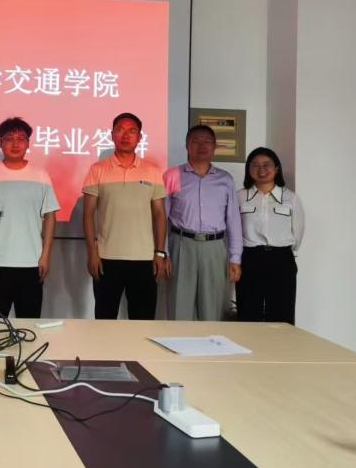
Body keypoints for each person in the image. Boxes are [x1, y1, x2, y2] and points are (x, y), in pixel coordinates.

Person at [82, 112, 169, 320]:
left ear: (139, 137)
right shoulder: (97, 169)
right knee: (105, 320)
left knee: (143, 320)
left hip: (144, 259)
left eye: (132, 131)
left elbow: (159, 215)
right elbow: (88, 214)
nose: (125, 135)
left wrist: (159, 254)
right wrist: (92, 252)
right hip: (106, 258)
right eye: (120, 130)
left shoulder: (152, 171)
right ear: (112, 135)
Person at [0, 117, 59, 318]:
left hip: (31, 263)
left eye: (21, 139)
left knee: (28, 323)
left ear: (28, 143)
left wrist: (46, 255)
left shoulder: (41, 175)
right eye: (9, 138)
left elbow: (50, 216)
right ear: (0, 142)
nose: (15, 144)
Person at [163, 124, 242, 320]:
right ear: (187, 146)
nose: (202, 145)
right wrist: (163, 253)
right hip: (181, 245)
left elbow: (233, 220)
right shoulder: (172, 175)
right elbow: (161, 217)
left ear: (214, 146)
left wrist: (235, 258)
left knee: (212, 308)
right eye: (196, 141)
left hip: (215, 248)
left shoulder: (225, 179)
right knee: (179, 306)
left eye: (207, 141)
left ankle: (210, 340)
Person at [236, 147, 304, 323]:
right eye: (256, 165)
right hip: (250, 259)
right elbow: (233, 230)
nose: (261, 169)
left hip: (281, 259)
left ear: (277, 169)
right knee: (249, 313)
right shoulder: (240, 197)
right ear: (248, 169)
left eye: (267, 164)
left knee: (282, 315)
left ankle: (281, 343)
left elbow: (298, 231)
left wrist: (284, 251)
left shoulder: (290, 198)